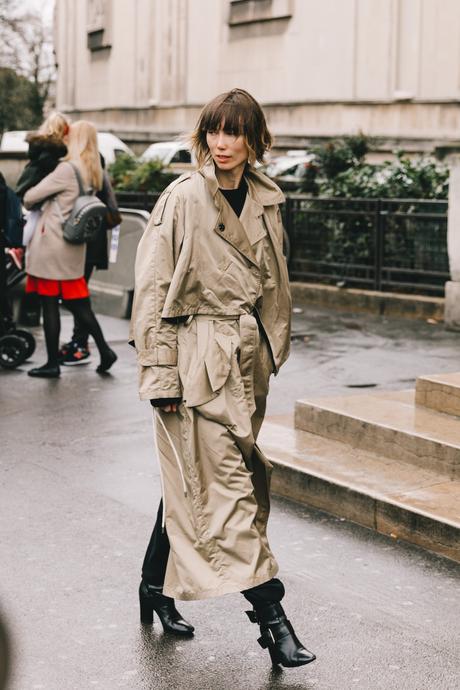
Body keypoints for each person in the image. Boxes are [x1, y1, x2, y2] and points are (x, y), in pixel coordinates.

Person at [130, 88, 315, 668]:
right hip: (195, 362)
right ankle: (274, 621)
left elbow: (274, 281)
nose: (221, 143)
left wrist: (270, 346)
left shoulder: (265, 198)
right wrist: (160, 374)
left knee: (199, 480)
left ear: (254, 138)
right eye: (213, 130)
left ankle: (153, 586)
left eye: (234, 132)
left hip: (245, 362)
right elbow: (154, 289)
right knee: (227, 494)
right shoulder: (183, 198)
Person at [23, 120, 117, 378]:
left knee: (49, 303)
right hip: (75, 247)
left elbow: (30, 197)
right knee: (79, 305)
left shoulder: (67, 169)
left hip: (52, 243)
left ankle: (52, 363)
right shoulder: (94, 170)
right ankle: (105, 350)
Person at [59, 155, 121, 365]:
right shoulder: (97, 169)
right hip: (93, 243)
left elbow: (112, 210)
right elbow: (112, 209)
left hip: (85, 243)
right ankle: (82, 344)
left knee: (76, 297)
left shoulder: (88, 171)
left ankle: (82, 345)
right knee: (77, 296)